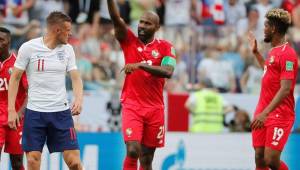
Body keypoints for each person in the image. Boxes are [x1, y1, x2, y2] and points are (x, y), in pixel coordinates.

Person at [7, 11, 83, 170]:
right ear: (57, 30)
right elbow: (14, 78)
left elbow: (76, 77)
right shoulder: (28, 48)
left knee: (74, 162)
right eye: (68, 30)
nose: (70, 34)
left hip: (61, 113)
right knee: (33, 161)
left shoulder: (68, 50)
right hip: (35, 113)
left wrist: (79, 99)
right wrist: (11, 110)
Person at [107, 0, 177, 169]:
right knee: (132, 150)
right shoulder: (129, 40)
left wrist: (140, 65)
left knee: (146, 159)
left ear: (157, 28)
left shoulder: (166, 47)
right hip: (132, 105)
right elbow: (116, 18)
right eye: (141, 22)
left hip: (155, 108)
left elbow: (168, 71)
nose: (142, 26)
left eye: (147, 23)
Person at [248, 8, 297, 170]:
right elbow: (268, 71)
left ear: (274, 28)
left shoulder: (288, 54)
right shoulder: (273, 52)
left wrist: (265, 113)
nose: (264, 29)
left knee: (271, 159)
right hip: (264, 111)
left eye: (266, 26)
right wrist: (256, 53)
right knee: (259, 157)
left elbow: (285, 89)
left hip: (279, 114)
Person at [0, 27, 27, 170]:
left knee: (16, 162)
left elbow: (30, 93)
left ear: (8, 42)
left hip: (15, 120)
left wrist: (20, 113)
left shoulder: (18, 64)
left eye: (1, 40)